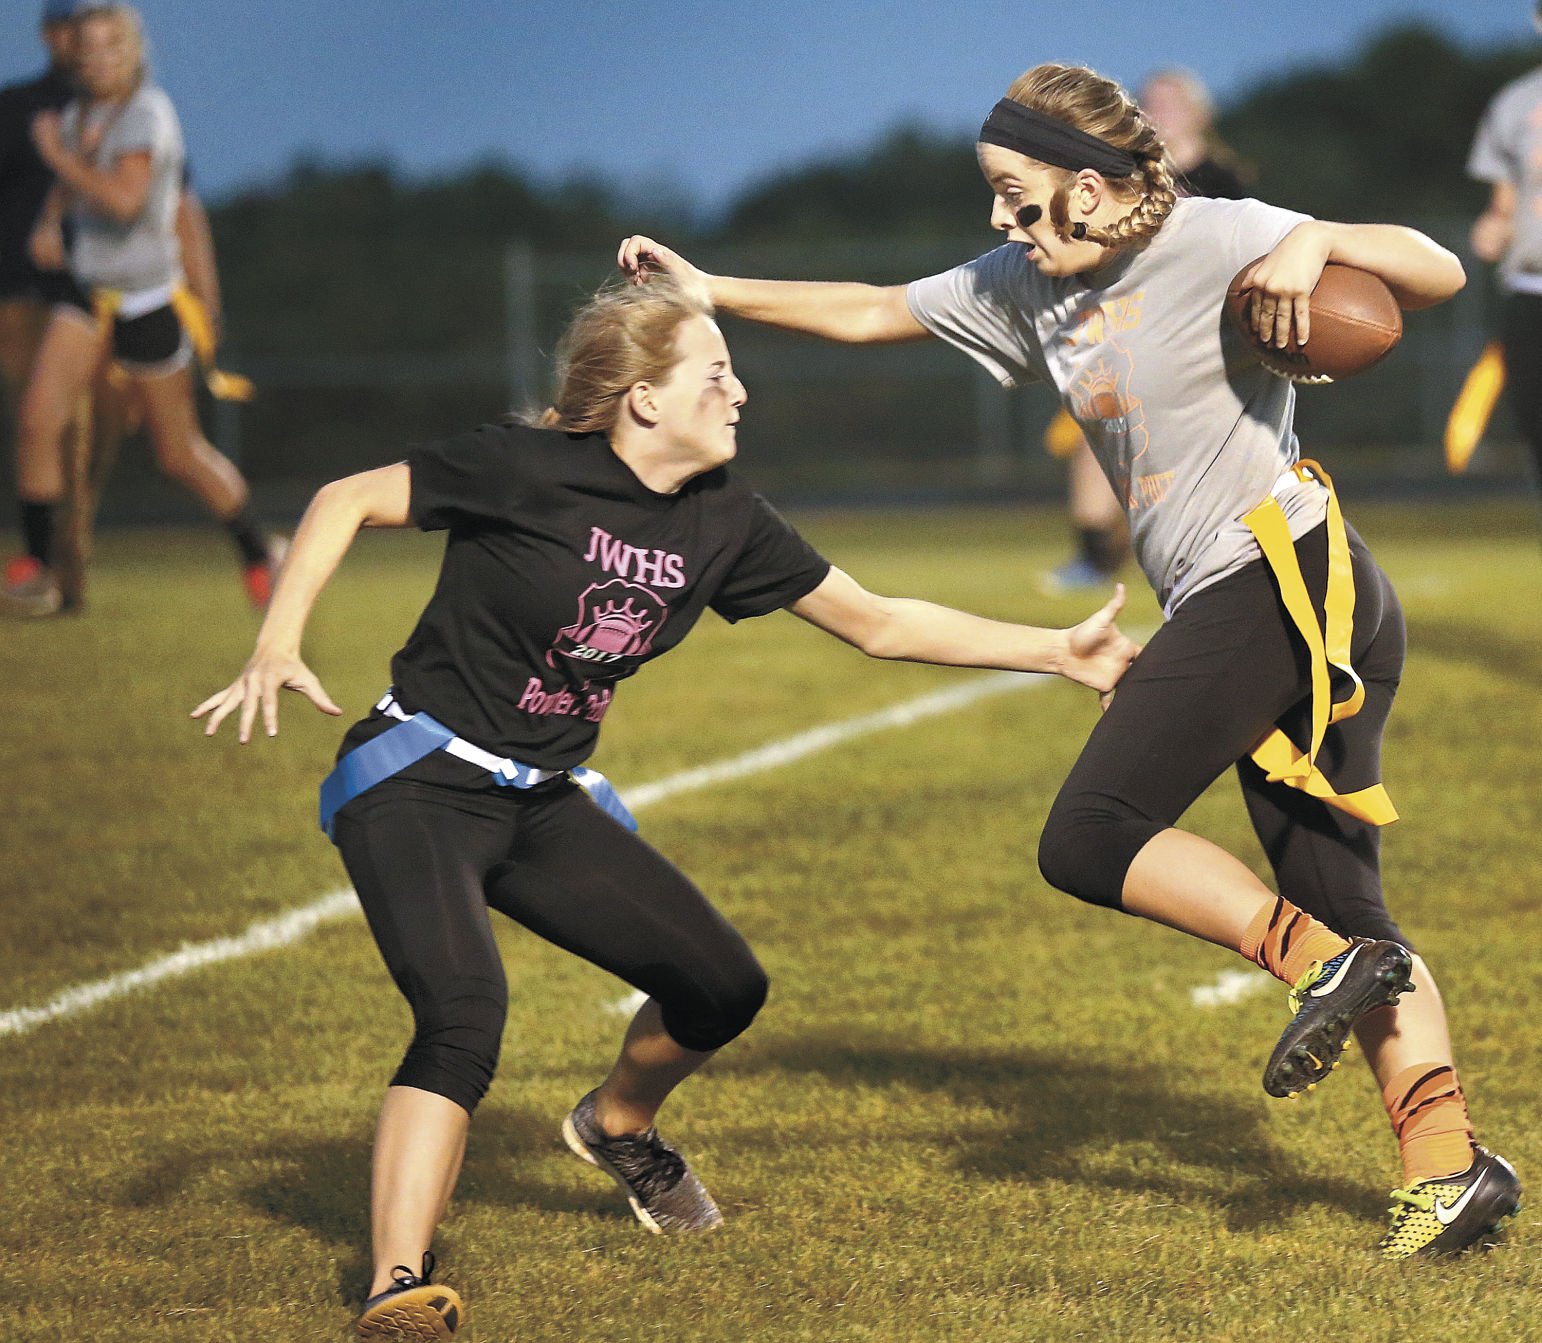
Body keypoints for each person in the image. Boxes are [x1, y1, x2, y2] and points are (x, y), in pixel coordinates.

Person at [617, 61, 1521, 1260]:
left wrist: (1319, 244)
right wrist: (712, 287)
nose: (998, 216)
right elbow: (876, 307)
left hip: (1284, 576)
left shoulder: (1218, 233)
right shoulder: (1025, 281)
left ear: (1091, 189)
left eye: (1014, 191)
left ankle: (1321, 963)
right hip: (1285, 593)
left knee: (1091, 833)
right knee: (1347, 895)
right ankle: (1450, 1167)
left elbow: (1439, 266)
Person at [192, 273, 1140, 1339]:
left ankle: (617, 1123)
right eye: (717, 372)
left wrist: (1054, 649)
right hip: (419, 779)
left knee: (722, 983)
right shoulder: (525, 467)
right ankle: (395, 1285)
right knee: (464, 1011)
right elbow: (347, 497)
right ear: (644, 396)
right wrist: (278, 642)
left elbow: (875, 620)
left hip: (541, 797)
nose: (740, 394)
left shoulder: (725, 519)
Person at [1, 2, 275, 618]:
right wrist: (49, 221)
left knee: (178, 453)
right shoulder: (81, 114)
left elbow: (126, 200)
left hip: (147, 297)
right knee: (38, 420)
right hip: (87, 292)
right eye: (88, 46)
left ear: (134, 51)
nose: (98, 57)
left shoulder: (148, 113)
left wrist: (54, 155)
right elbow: (75, 183)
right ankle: (38, 570)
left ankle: (260, 554)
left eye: (111, 46)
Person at [1041, 67, 1251, 596]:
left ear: (1199, 111)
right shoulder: (1124, 178)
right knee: (1097, 444)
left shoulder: (1225, 181)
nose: (1160, 112)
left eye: (1171, 102)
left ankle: (1211, 552)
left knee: (1187, 462)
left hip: (1202, 337)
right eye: (1150, 103)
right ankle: (1095, 559)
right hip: (1129, 327)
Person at [0, 1, 82, 581]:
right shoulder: (18, 106)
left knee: (78, 428)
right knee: (33, 417)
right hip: (18, 285)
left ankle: (65, 554)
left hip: (91, 289)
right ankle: (44, 560)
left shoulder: (120, 112)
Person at [1467, 1, 1542, 518]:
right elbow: (1504, 203)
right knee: (1537, 425)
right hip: (1532, 286)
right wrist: (1493, 228)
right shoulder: (1517, 102)